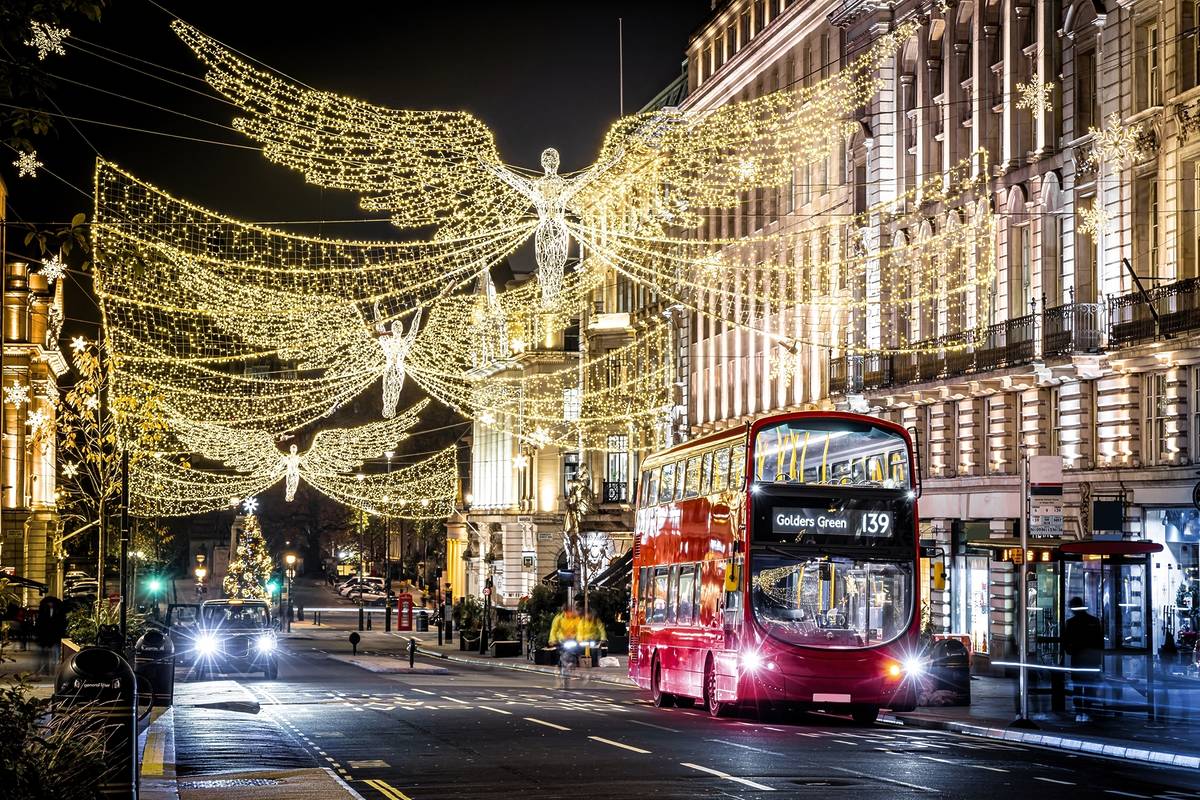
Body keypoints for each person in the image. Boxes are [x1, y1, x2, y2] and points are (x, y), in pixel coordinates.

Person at [1062, 596, 1104, 722]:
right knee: (1090, 687)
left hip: (1078, 660)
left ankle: (1079, 712)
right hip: (1091, 661)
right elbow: (1099, 643)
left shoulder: (1071, 623)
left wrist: (1070, 651)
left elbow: (1066, 642)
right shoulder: (1094, 621)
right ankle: (1088, 711)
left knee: (1078, 687)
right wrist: (1098, 661)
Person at [34, 595, 67, 676]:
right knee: (44, 654)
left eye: (51, 603)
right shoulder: (44, 610)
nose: (50, 604)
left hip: (55, 635)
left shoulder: (59, 610)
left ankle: (53, 670)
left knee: (55, 654)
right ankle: (45, 670)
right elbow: (40, 623)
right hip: (44, 635)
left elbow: (61, 622)